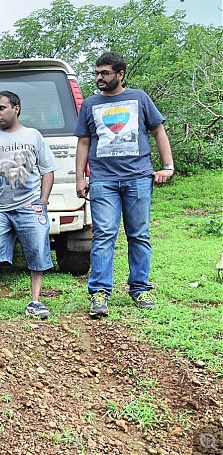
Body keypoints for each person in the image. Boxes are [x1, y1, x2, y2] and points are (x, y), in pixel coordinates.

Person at [75, 51, 174, 317]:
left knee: (139, 234)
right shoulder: (90, 104)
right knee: (104, 235)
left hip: (138, 177)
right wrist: (79, 177)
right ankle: (99, 293)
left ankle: (140, 288)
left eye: (105, 73)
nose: (99, 78)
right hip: (102, 180)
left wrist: (167, 167)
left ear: (120, 74)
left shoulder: (139, 98)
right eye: (97, 73)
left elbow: (158, 131)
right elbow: (83, 141)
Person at [0, 91, 59, 320]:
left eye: (2, 108)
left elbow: (48, 170)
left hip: (29, 205)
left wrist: (42, 201)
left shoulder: (33, 136)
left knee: (37, 249)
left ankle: (35, 301)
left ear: (16, 108)